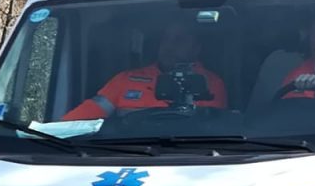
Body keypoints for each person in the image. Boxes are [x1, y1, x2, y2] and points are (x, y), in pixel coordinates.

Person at [64, 20, 228, 120]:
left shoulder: (209, 82)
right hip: (120, 154)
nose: (169, 46)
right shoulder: (125, 79)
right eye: (166, 39)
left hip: (187, 156)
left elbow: (205, 127)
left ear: (196, 48)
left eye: (179, 40)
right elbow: (79, 120)